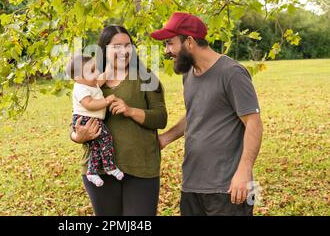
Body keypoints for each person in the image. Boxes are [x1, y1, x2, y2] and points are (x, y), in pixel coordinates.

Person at [151, 12, 264, 216]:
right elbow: (196, 113)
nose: (167, 51)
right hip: (192, 184)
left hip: (228, 187)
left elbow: (253, 123)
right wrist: (165, 138)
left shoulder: (231, 73)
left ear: (190, 41)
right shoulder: (189, 74)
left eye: (170, 43)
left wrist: (244, 171)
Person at [70, 25, 167, 216]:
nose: (123, 51)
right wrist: (78, 136)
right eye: (116, 46)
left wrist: (130, 110)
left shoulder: (145, 77)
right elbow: (76, 120)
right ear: (104, 49)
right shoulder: (90, 79)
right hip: (99, 170)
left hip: (141, 166)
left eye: (127, 45)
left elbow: (161, 118)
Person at [67, 54, 124, 187]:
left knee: (97, 147)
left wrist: (110, 68)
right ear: (78, 78)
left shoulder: (91, 84)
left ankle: (92, 172)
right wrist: (107, 101)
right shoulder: (80, 88)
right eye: (92, 71)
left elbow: (101, 79)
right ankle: (109, 166)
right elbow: (89, 104)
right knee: (106, 139)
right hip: (85, 120)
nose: (97, 73)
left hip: (92, 119)